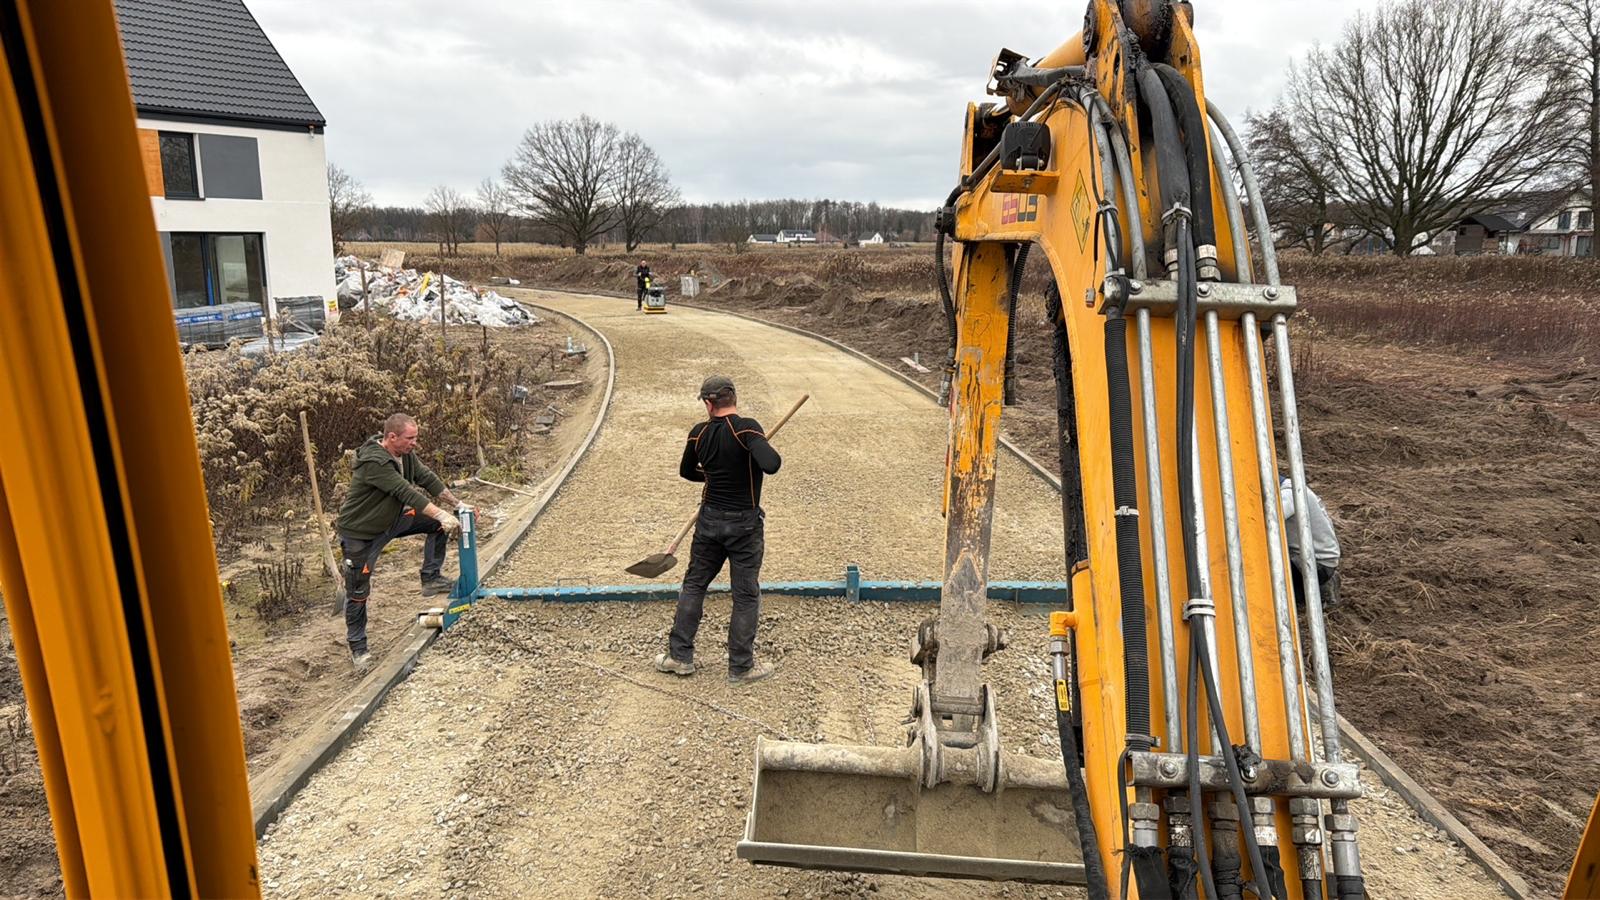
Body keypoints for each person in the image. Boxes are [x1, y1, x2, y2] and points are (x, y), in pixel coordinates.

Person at [654, 376, 782, 684]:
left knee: (694, 585)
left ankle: (679, 657)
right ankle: (741, 667)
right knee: (745, 594)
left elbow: (687, 472)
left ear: (709, 404)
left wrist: (713, 475)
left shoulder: (698, 434)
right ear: (733, 399)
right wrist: (754, 449)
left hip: (708, 521)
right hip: (744, 526)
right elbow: (772, 463)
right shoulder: (747, 428)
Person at [335, 413, 462, 673]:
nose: (414, 443)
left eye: (415, 438)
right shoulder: (374, 463)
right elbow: (405, 492)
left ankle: (431, 577)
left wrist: (457, 505)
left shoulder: (404, 455)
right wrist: (441, 513)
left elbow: (425, 478)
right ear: (392, 437)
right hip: (361, 534)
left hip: (392, 520)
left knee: (436, 525)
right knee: (358, 593)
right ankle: (358, 649)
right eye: (410, 438)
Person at [1280, 476, 1342, 613]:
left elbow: (1264, 521)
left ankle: (1320, 587)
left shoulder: (1289, 494)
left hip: (1316, 564)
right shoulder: (1294, 487)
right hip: (1314, 559)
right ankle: (1318, 586)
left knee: (1276, 593)